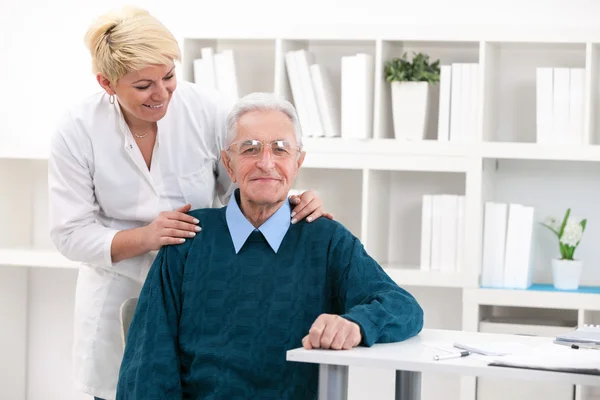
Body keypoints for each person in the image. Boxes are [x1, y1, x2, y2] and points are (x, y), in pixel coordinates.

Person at [48, 7, 330, 400]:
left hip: (197, 294)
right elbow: (69, 233)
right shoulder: (77, 130)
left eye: (168, 76)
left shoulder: (207, 109)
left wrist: (293, 198)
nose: (162, 93)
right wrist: (146, 237)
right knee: (120, 390)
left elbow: (246, 174)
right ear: (107, 83)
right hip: (116, 294)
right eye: (144, 85)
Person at [116, 92, 424, 400]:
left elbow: (403, 307)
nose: (266, 163)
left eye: (280, 149)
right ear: (229, 164)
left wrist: (357, 323)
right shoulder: (188, 238)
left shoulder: (326, 240)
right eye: (250, 149)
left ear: (297, 162)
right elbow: (147, 363)